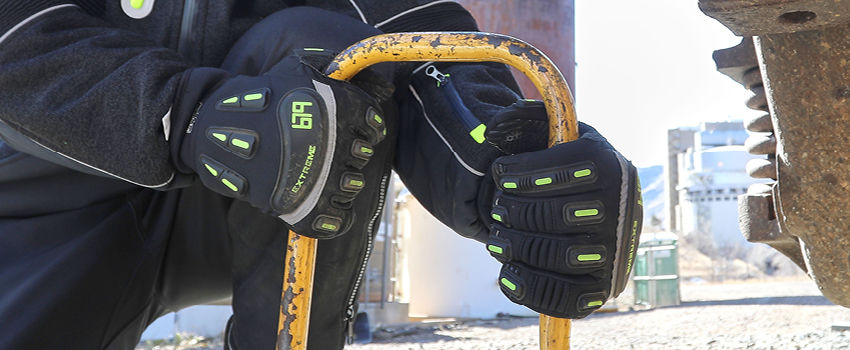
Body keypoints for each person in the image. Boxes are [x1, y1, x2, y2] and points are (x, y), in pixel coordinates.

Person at [0, 1, 642, 349]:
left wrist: (512, 169)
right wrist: (183, 113)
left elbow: (418, 34)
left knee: (325, 53)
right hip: (46, 198)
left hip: (266, 176)